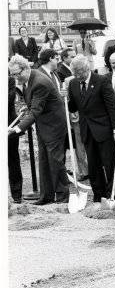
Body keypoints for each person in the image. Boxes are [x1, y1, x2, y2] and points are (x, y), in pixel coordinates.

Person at [8, 55, 69, 205]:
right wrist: (27, 106)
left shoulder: (39, 82)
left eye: (17, 74)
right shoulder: (29, 79)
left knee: (55, 161)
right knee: (43, 160)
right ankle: (46, 197)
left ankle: (62, 197)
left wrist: (16, 129)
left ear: (26, 69)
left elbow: (35, 111)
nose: (16, 78)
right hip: (43, 125)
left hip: (54, 125)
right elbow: (35, 104)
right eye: (13, 75)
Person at [67, 55, 115, 202]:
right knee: (93, 166)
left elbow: (112, 107)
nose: (78, 76)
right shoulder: (73, 84)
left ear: (87, 69)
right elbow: (73, 107)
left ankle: (112, 196)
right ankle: (99, 195)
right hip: (87, 131)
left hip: (104, 130)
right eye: (75, 74)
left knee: (109, 164)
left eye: (80, 73)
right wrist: (65, 98)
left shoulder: (101, 81)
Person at [57, 48, 89, 181]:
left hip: (90, 117)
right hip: (77, 117)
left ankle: (92, 168)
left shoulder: (91, 77)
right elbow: (69, 100)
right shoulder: (69, 80)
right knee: (80, 145)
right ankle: (84, 170)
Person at [8, 75, 23, 203]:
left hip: (9, 126)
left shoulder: (9, 79)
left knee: (13, 160)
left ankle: (16, 195)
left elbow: (9, 99)